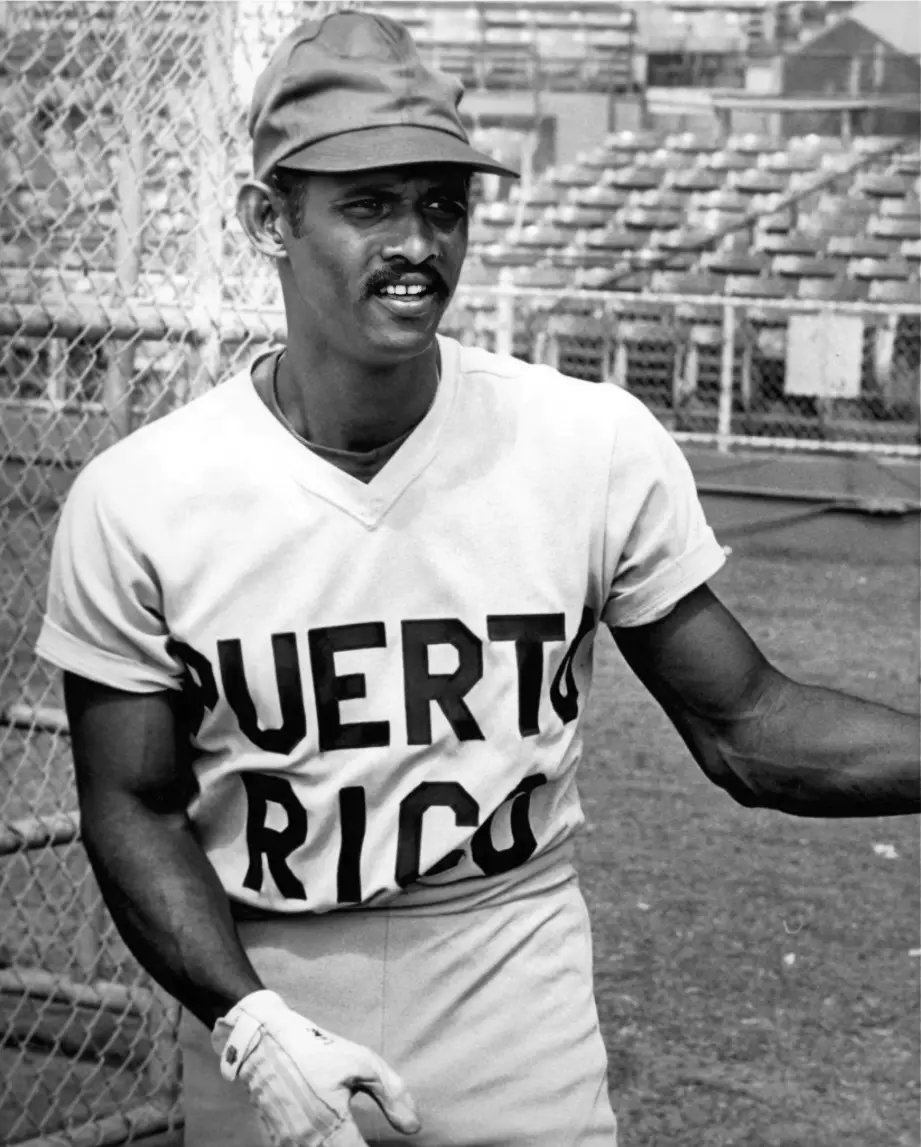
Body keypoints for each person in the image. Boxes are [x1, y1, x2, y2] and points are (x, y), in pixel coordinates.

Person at [35, 10, 919, 1147]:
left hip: (515, 994)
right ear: (269, 217)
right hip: (272, 1010)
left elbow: (747, 724)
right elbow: (133, 801)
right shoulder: (142, 495)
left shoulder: (584, 441)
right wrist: (248, 1022)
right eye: (368, 202)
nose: (418, 241)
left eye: (443, 202)